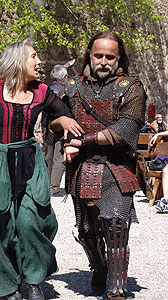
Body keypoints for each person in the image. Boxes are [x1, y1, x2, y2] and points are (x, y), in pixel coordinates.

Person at [0, 39, 82, 300]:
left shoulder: (41, 91)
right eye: (34, 57)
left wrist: (62, 121)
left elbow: (61, 114)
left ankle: (34, 279)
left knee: (31, 221)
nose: (40, 62)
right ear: (17, 61)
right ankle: (7, 287)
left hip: (29, 162)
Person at [62, 32, 147, 300]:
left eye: (110, 57)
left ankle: (117, 288)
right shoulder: (72, 86)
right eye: (98, 55)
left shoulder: (130, 87)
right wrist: (64, 137)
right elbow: (57, 120)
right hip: (81, 168)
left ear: (119, 58)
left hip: (116, 167)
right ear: (90, 54)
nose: (103, 61)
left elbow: (126, 128)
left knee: (115, 225)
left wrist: (81, 140)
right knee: (87, 232)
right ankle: (99, 269)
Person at [43, 64, 68, 196]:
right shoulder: (66, 90)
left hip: (48, 127)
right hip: (61, 127)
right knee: (59, 157)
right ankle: (53, 188)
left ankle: (46, 186)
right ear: (64, 77)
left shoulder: (46, 89)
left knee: (48, 156)